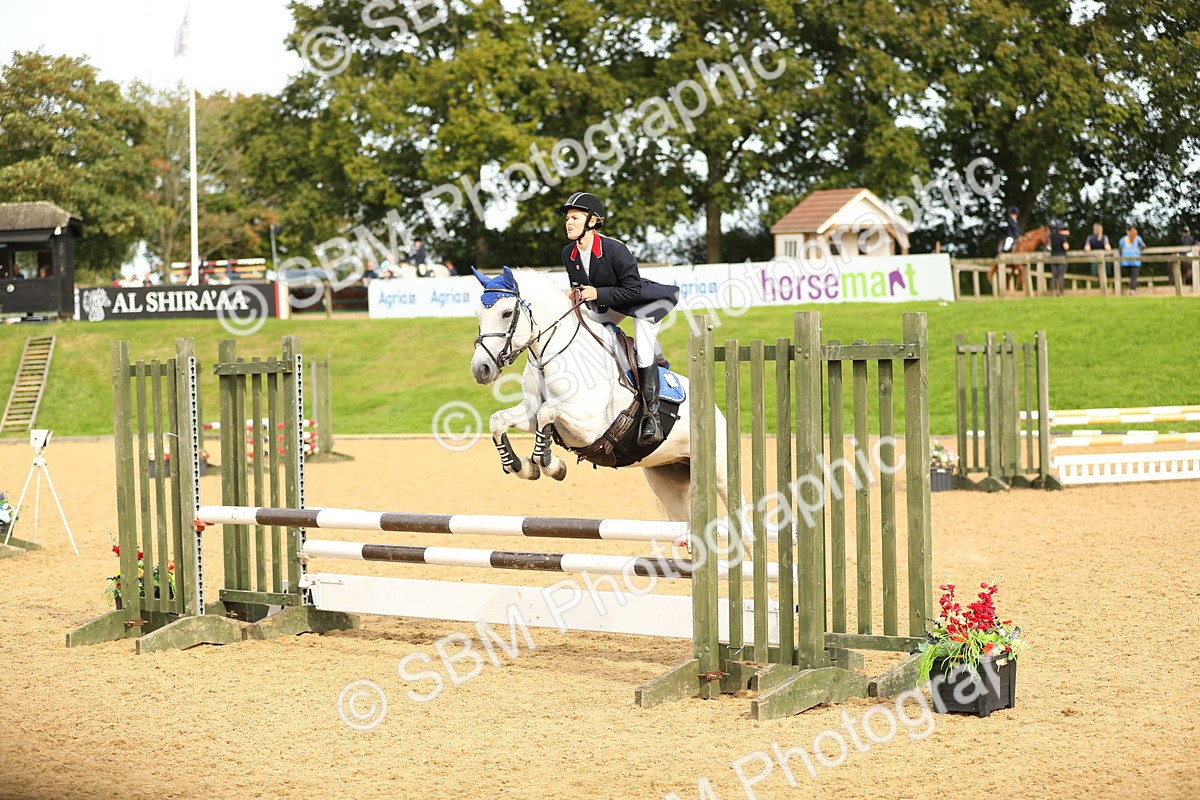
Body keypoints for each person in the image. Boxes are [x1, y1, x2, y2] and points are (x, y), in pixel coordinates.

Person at [558, 191, 679, 447]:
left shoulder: (615, 249)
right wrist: (575, 292)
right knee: (585, 326)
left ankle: (651, 417)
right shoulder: (569, 253)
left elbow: (633, 289)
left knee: (644, 352)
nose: (569, 223)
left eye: (575, 217)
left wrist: (597, 293)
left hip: (644, 302)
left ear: (592, 221)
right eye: (568, 218)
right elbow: (582, 286)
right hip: (613, 303)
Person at [1119, 226, 1146, 295]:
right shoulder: (1138, 238)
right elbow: (1143, 246)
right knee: (1134, 277)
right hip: (1135, 260)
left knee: (1126, 276)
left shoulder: (1123, 239)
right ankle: (1132, 290)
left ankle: (1122, 289)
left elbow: (1120, 248)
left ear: (1127, 231)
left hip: (1125, 261)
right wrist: (1138, 250)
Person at [1049, 222, 1070, 296]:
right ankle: (1061, 293)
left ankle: (1053, 292)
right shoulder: (1062, 237)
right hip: (1061, 257)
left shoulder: (1052, 236)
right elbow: (1066, 247)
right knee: (1060, 275)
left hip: (1053, 257)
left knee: (1054, 275)